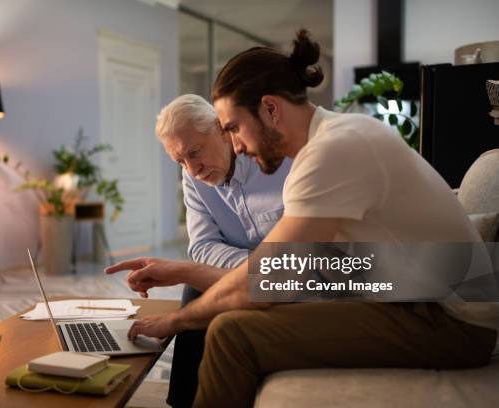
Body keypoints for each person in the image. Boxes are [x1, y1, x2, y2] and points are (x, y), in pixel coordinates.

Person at [108, 30, 498, 408]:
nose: (237, 145)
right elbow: (295, 272)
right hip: (398, 291)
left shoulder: (332, 151)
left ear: (270, 109)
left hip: (452, 320)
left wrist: (176, 321)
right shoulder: (334, 137)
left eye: (233, 128)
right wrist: (189, 274)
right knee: (234, 318)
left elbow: (271, 277)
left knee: (232, 334)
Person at [109, 94, 290, 407]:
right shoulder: (194, 177)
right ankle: (183, 401)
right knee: (198, 285)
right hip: (259, 276)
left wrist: (235, 273)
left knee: (197, 285)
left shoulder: (280, 164)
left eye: (195, 152)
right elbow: (203, 247)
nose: (192, 170)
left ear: (222, 131)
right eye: (180, 161)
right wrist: (246, 270)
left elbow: (295, 263)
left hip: (291, 283)